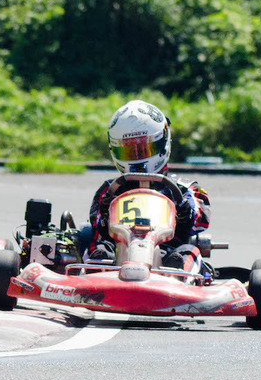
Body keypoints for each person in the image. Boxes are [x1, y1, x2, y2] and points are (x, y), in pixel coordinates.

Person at [87, 100, 211, 270]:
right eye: (129, 152)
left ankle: (179, 277)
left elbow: (201, 221)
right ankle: (95, 273)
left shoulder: (185, 189)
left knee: (187, 252)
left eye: (144, 150)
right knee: (99, 250)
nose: (137, 158)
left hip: (168, 256)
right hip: (117, 257)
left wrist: (184, 210)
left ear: (162, 143)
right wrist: (105, 212)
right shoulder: (109, 190)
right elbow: (96, 225)